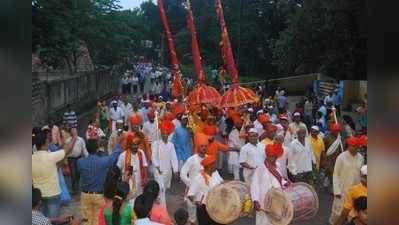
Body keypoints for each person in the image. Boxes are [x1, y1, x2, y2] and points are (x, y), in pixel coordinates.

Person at [77, 139, 123, 225]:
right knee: (98, 220)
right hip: (99, 195)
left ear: (86, 149)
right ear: (98, 149)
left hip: (84, 195)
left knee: (86, 220)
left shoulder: (80, 162)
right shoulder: (103, 161)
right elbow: (113, 156)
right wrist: (118, 144)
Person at [32, 131, 76, 218]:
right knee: (54, 219)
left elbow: (55, 167)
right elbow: (68, 149)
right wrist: (74, 138)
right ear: (45, 143)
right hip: (52, 193)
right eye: (48, 141)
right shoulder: (51, 156)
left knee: (42, 219)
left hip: (39, 195)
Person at [329, 137, 364, 225]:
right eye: (352, 146)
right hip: (343, 189)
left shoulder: (361, 158)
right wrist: (336, 190)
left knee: (353, 212)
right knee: (338, 212)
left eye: (356, 146)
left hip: (356, 190)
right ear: (348, 146)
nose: (355, 148)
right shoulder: (341, 157)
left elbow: (362, 174)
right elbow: (336, 174)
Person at [251, 142, 287, 225]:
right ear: (267, 156)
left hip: (277, 199)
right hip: (263, 200)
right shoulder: (260, 167)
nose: (273, 158)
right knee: (263, 221)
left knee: (276, 219)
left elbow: (280, 180)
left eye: (274, 156)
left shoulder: (278, 166)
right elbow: (254, 185)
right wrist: (255, 200)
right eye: (271, 156)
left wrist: (286, 184)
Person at [180, 135, 208, 225]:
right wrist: (191, 185)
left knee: (205, 215)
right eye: (202, 146)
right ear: (197, 147)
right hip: (192, 192)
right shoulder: (191, 159)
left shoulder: (209, 158)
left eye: (205, 146)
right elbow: (182, 174)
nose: (204, 148)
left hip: (205, 192)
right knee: (192, 217)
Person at [187, 156, 223, 225]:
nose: (216, 165)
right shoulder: (199, 178)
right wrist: (196, 202)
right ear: (209, 166)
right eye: (214, 163)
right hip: (204, 209)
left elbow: (222, 183)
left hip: (216, 206)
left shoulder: (216, 173)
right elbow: (190, 194)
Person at [151, 120, 178, 207]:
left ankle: (156, 203)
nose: (165, 135)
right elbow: (153, 156)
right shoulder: (156, 144)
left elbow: (174, 158)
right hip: (158, 171)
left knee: (163, 189)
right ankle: (163, 209)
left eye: (166, 133)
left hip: (168, 172)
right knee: (161, 189)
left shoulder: (171, 145)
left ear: (168, 134)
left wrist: (175, 170)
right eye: (163, 133)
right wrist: (157, 167)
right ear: (161, 134)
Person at [67, 127, 88, 194]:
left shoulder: (81, 140)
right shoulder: (68, 140)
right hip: (71, 159)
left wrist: (88, 157)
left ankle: (77, 186)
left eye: (75, 130)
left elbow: (84, 149)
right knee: (73, 174)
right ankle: (74, 189)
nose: (74, 132)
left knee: (78, 173)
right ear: (71, 132)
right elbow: (66, 150)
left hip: (79, 158)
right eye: (72, 131)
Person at [228, 114, 245, 180]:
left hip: (242, 150)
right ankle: (236, 179)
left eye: (241, 123)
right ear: (235, 124)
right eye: (238, 123)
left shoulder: (244, 131)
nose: (239, 125)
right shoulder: (232, 133)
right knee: (236, 166)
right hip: (235, 151)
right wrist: (240, 150)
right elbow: (235, 144)